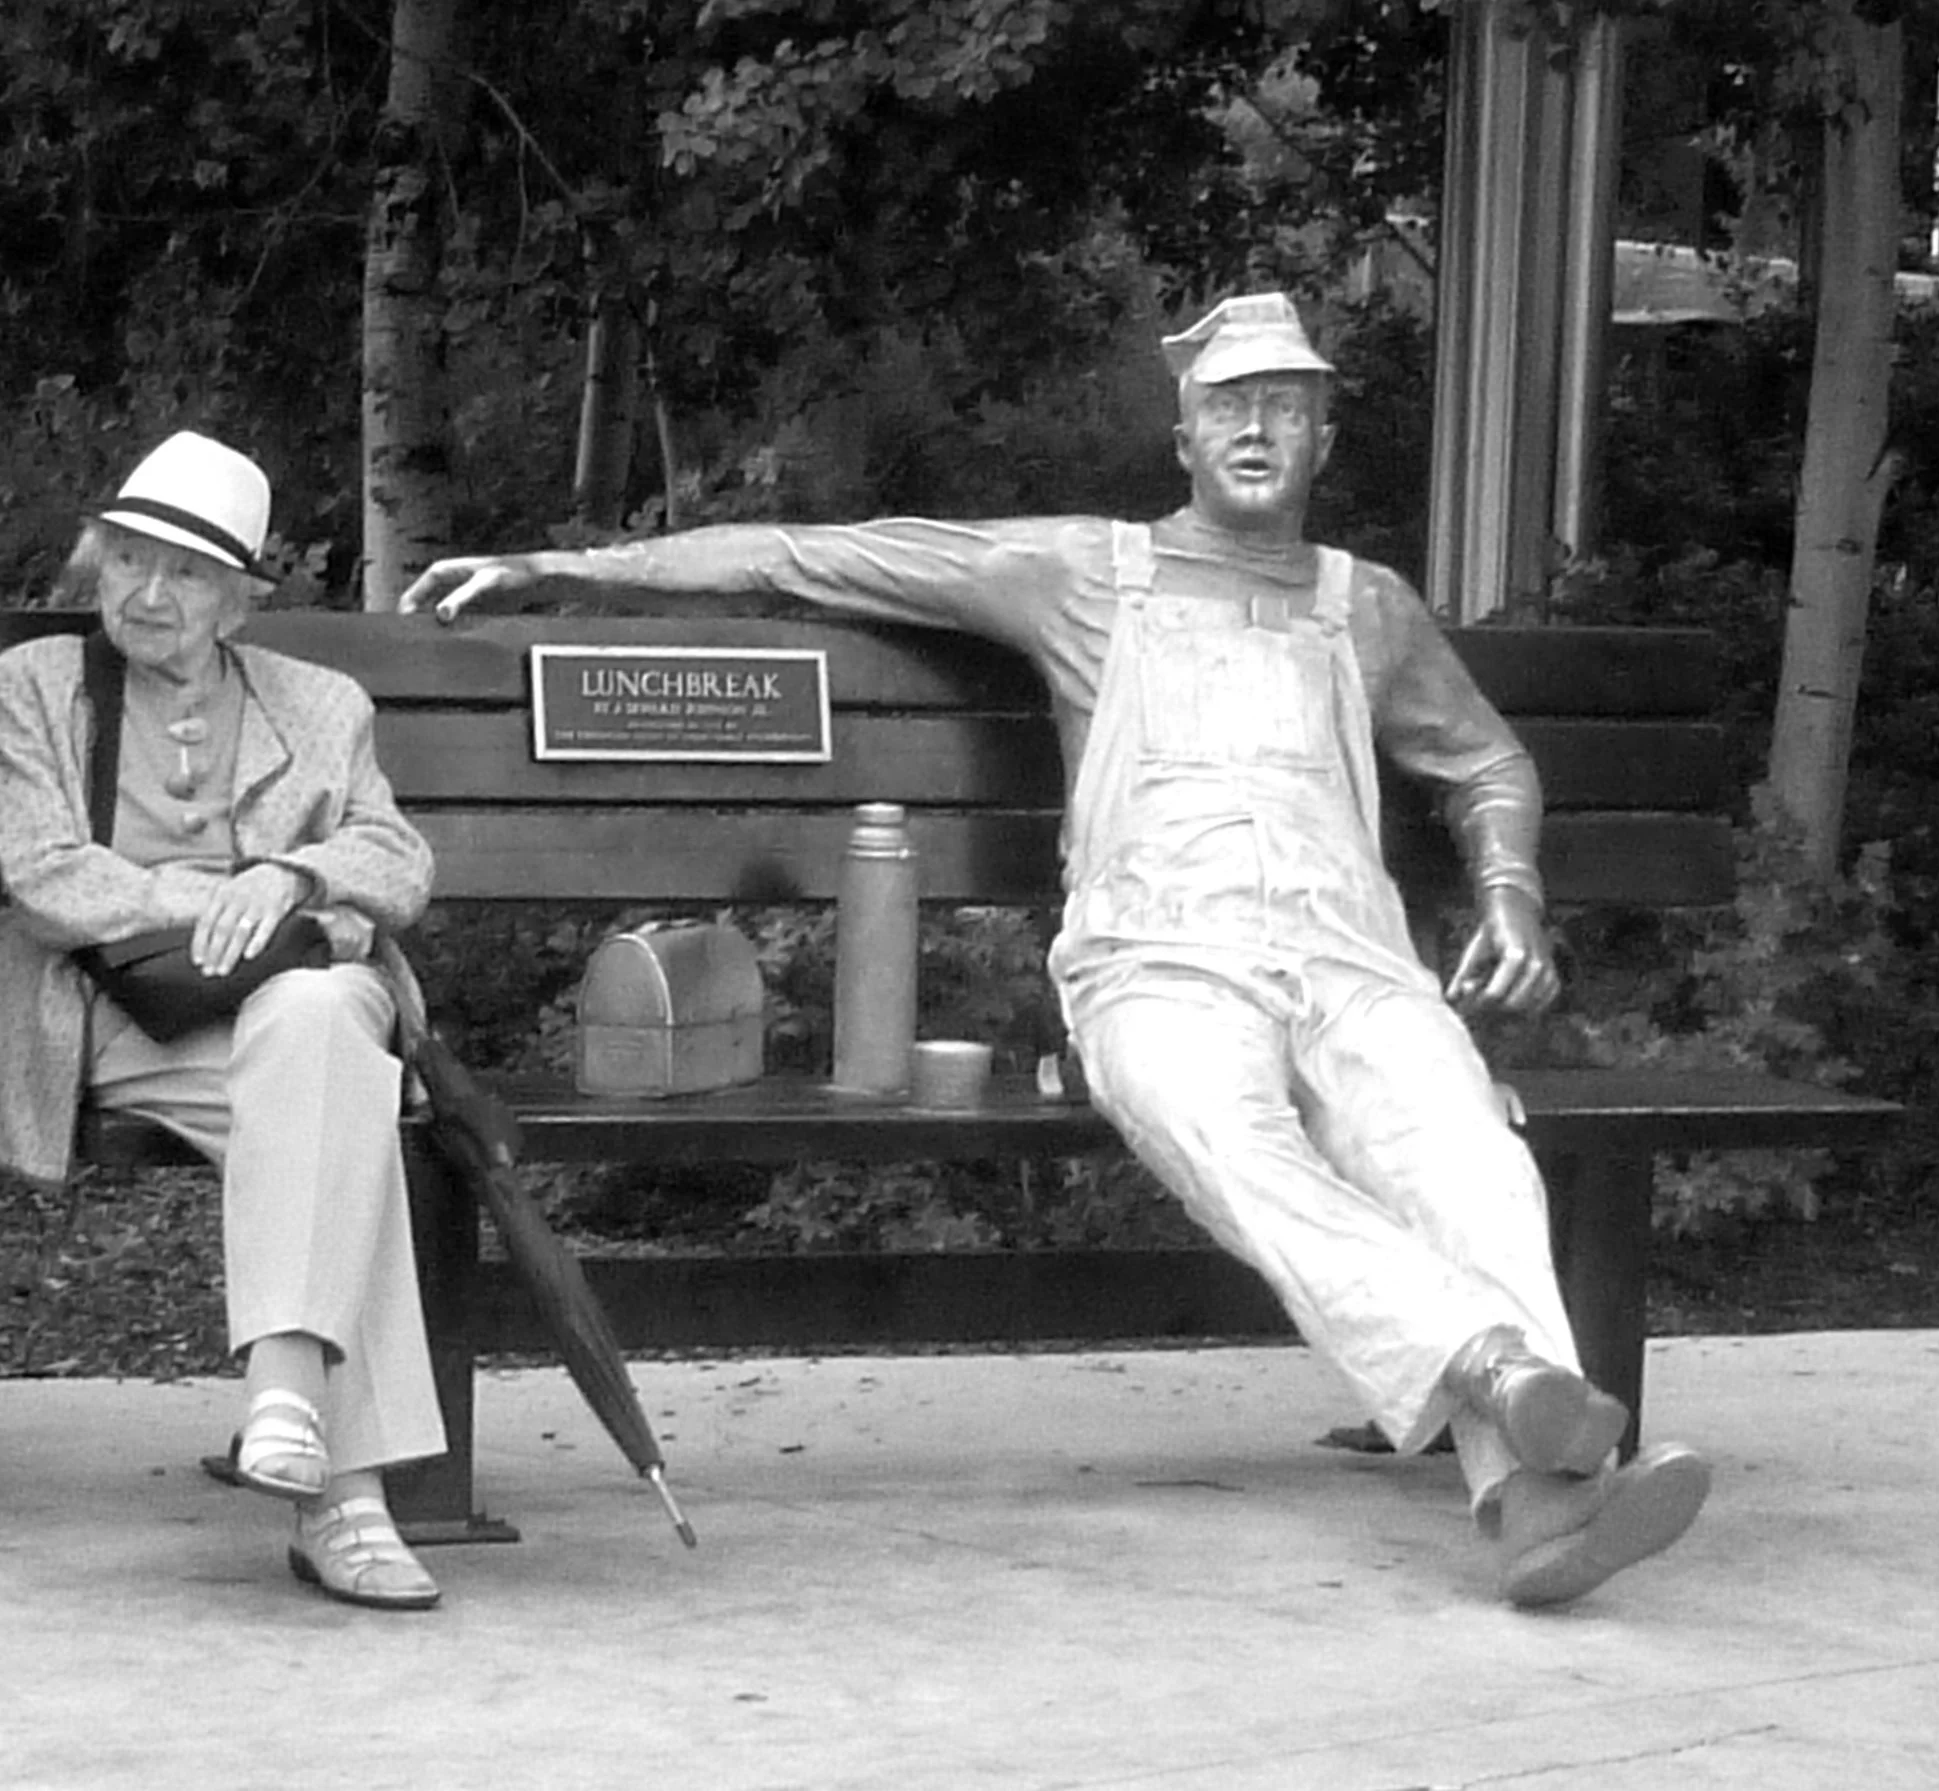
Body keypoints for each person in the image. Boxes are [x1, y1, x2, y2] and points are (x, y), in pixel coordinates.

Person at [399, 294, 1713, 1607]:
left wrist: (1513, 888)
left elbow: (1486, 758)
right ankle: (1494, 1372)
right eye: (1230, 405)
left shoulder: (1364, 607)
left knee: (1471, 1157)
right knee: (1231, 1141)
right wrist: (568, 568)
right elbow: (817, 556)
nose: (1259, 427)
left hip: (1354, 961)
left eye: (1288, 406)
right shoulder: (1084, 572)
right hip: (1160, 969)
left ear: (1324, 435)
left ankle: (1541, 1508)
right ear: (1185, 436)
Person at [0, 431, 447, 1611]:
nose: (146, 592)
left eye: (181, 573)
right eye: (124, 560)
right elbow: (48, 874)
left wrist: (297, 882)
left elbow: (397, 858)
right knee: (343, 1125)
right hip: (124, 1017)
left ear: (236, 600)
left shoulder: (321, 704)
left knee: (321, 1020)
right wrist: (218, 898)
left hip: (294, 1002)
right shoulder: (39, 688)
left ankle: (288, 1407)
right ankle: (347, 1504)